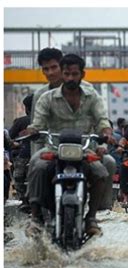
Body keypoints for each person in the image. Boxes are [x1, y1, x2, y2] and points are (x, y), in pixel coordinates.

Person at [25, 53, 116, 237]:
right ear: (63, 74)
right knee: (36, 165)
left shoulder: (92, 96)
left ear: (82, 74)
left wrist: (106, 133)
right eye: (66, 74)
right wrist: (33, 130)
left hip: (84, 149)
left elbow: (102, 120)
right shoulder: (47, 98)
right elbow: (38, 122)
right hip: (53, 148)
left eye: (74, 74)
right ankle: (35, 219)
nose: (70, 78)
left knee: (104, 168)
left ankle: (91, 217)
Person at [9, 94, 33, 211]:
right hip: (45, 152)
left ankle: (23, 199)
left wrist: (14, 144)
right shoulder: (51, 121)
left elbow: (9, 137)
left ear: (27, 108)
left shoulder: (21, 121)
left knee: (18, 176)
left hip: (25, 153)